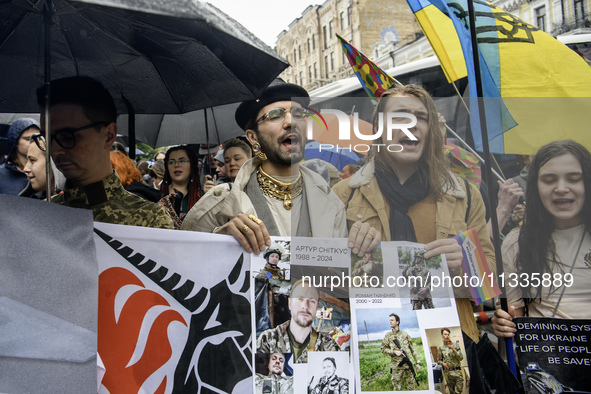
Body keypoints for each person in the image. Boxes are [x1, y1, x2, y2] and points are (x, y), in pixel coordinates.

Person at [332, 84, 494, 342]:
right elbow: (321, 282)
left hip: (449, 343)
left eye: (422, 117)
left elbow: (487, 288)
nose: (413, 124)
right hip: (376, 338)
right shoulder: (344, 194)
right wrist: (347, 253)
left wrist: (464, 263)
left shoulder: (465, 195)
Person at [182, 79, 352, 253]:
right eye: (275, 115)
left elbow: (341, 271)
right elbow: (185, 257)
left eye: (298, 113)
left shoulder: (330, 202)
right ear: (253, 137)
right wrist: (219, 236)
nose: (291, 122)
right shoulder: (222, 202)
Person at [35, 76, 174, 229]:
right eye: (47, 138)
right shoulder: (38, 217)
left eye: (67, 137)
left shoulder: (149, 220)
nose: (55, 150)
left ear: (108, 135)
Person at [492, 140, 591, 337]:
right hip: (546, 362)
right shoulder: (516, 244)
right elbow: (515, 319)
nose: (561, 188)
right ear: (535, 187)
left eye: (573, 179)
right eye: (549, 180)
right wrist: (504, 324)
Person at [256, 279, 339, 363]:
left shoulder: (328, 347)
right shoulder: (267, 340)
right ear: (290, 303)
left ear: (316, 307)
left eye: (312, 301)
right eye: (300, 299)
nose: (305, 306)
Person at [158, 145, 201, 229]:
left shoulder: (201, 197)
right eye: (171, 162)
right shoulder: (157, 196)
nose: (177, 165)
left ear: (191, 165)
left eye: (182, 161)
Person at [0, 118, 40, 195]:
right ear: (15, 142)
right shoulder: (1, 175)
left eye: (38, 138)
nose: (35, 142)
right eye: (28, 139)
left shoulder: (48, 172)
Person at [381, 313, 420, 391]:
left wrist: (417, 363)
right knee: (397, 389)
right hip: (396, 367)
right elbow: (383, 349)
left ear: (397, 322)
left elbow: (412, 349)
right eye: (389, 320)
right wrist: (394, 352)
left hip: (408, 365)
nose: (390, 322)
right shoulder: (388, 335)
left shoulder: (405, 334)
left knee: (411, 388)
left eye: (392, 320)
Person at [19, 134, 56, 199]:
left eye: (32, 160)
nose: (25, 169)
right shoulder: (29, 203)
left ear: (53, 162)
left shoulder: (75, 204)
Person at [437, 328, 464, 394]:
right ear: (442, 335)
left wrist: (453, 349)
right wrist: (443, 364)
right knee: (452, 392)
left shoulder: (455, 345)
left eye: (448, 334)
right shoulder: (441, 348)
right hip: (448, 373)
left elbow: (461, 358)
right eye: (445, 334)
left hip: (457, 371)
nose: (447, 336)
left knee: (459, 390)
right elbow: (438, 361)